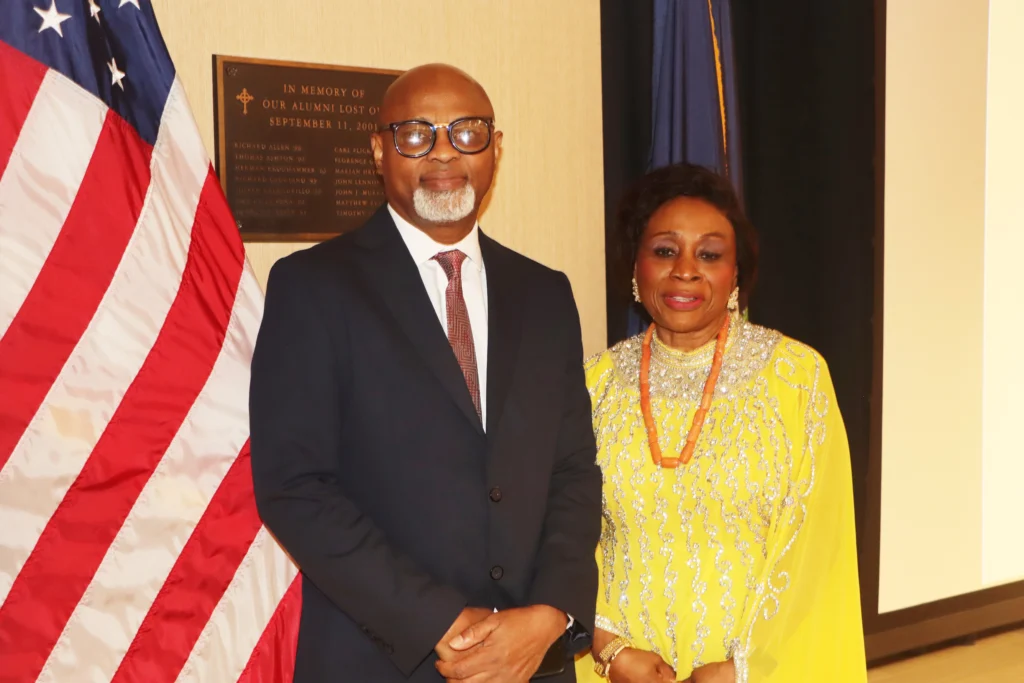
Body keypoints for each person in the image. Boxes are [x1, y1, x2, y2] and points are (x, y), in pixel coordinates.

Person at [249, 63, 602, 682]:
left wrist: (550, 613)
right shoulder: (313, 286)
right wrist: (441, 621)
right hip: (384, 658)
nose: (444, 152)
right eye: (416, 133)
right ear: (378, 150)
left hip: (532, 662)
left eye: (467, 131)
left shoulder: (546, 293)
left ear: (497, 148)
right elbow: (295, 486)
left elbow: (572, 471)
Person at [575, 164, 867, 683]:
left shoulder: (797, 379)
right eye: (664, 250)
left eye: (709, 255)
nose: (685, 270)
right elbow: (564, 532)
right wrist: (609, 648)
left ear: (736, 275)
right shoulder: (592, 384)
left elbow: (821, 553)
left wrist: (744, 671)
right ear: (635, 268)